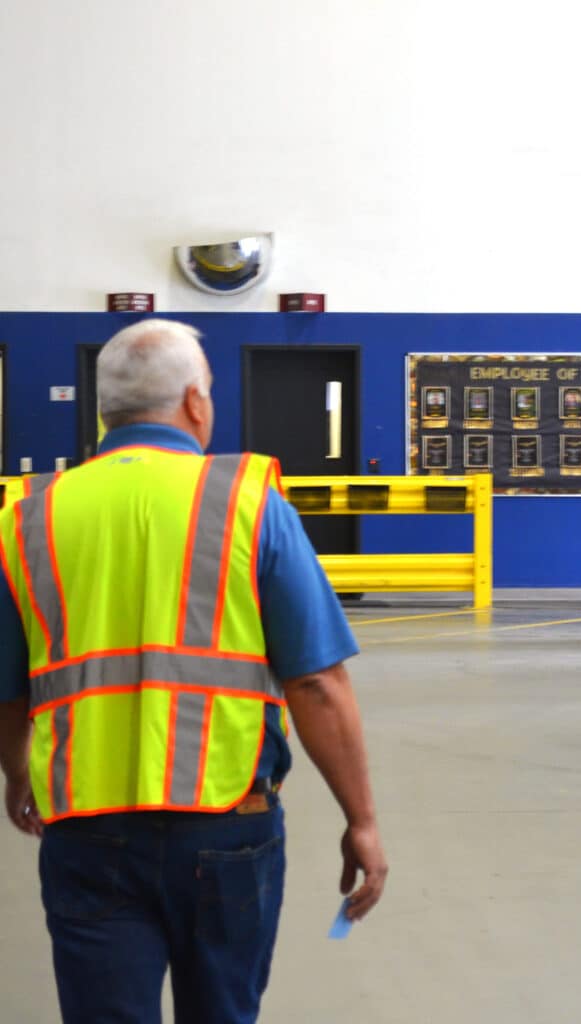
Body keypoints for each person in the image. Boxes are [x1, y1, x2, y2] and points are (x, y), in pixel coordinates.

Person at [0, 319, 387, 1023]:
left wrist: (19, 773)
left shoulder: (29, 518)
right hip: (226, 818)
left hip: (85, 822)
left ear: (104, 412)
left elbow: (9, 684)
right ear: (195, 403)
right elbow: (316, 683)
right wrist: (360, 818)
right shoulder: (248, 502)